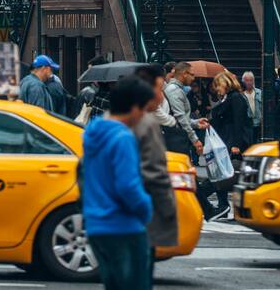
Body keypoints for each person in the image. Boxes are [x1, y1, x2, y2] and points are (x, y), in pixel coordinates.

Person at [82, 76, 155, 290]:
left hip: (97, 226)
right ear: (133, 108)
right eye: (143, 109)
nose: (143, 115)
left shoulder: (94, 133)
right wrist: (145, 209)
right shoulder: (123, 138)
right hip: (124, 226)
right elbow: (127, 186)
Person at [133, 64, 178, 279]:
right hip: (138, 218)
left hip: (107, 220)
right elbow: (155, 173)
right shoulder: (145, 125)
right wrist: (168, 208)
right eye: (159, 89)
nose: (162, 95)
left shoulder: (105, 122)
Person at [207, 71, 252, 219]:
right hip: (225, 139)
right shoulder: (228, 98)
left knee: (227, 173)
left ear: (225, 84)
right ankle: (223, 204)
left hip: (232, 140)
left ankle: (226, 205)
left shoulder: (236, 98)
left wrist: (236, 144)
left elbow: (239, 122)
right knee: (223, 172)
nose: (217, 89)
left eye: (218, 85)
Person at [163, 62, 209, 159]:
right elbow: (181, 118)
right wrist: (195, 140)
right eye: (191, 74)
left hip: (176, 137)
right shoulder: (174, 90)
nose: (193, 78)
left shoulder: (177, 89)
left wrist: (196, 123)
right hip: (175, 139)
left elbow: (182, 117)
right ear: (184, 73)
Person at [242, 71, 263, 141]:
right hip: (247, 124)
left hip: (259, 123)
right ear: (243, 81)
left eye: (251, 80)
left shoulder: (259, 92)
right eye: (247, 80)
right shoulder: (241, 94)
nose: (249, 82)